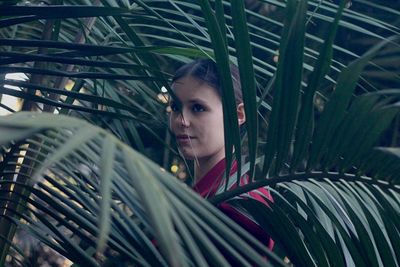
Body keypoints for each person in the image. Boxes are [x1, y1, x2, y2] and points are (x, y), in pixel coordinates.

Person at [169, 58, 274, 251]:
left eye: (198, 108)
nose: (181, 120)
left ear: (239, 115)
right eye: (175, 107)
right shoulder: (204, 193)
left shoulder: (241, 204)